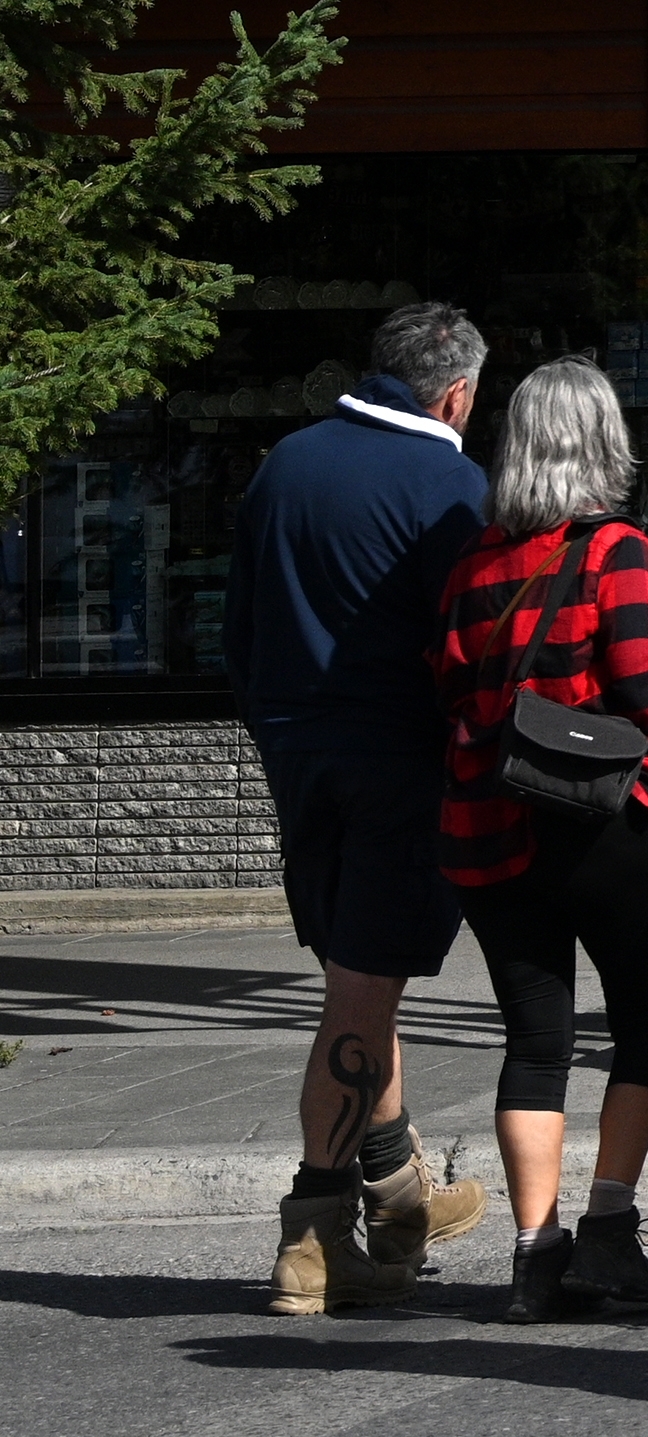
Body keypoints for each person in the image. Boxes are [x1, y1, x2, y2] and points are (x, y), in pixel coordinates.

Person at [233, 300, 499, 1315]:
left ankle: (396, 1198)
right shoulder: (449, 480)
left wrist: (281, 731)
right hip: (399, 763)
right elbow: (468, 641)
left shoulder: (286, 462)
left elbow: (242, 631)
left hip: (302, 753)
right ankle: (312, 1235)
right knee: (356, 999)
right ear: (457, 392)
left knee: (359, 979)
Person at [433, 356, 648, 1323]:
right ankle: (610, 1232)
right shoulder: (615, 550)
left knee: (535, 1039)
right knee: (647, 1025)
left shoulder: (474, 560)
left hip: (494, 828)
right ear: (605, 443)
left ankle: (535, 1255)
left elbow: (449, 686)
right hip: (603, 830)